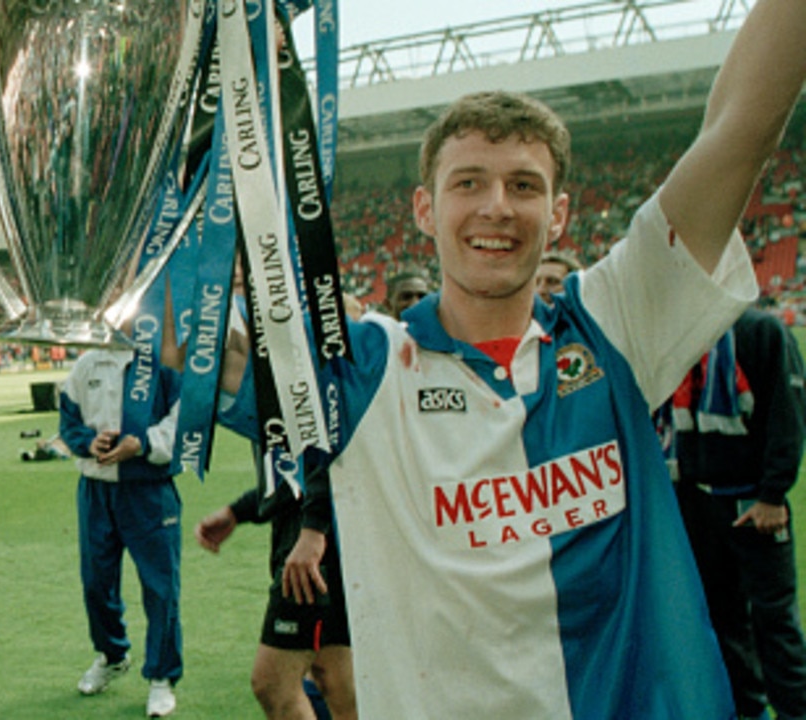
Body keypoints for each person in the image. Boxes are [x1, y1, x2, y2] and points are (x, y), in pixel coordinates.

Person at [210, 1, 806, 714]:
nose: (497, 206)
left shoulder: (615, 324)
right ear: (424, 210)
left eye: (524, 185)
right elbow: (200, 348)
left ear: (557, 215)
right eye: (468, 182)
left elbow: (738, 131)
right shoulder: (366, 369)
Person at [668, 308, 806, 720]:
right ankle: (749, 709)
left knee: (773, 620)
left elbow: (788, 413)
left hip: (753, 503)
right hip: (697, 502)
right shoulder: (677, 335)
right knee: (722, 615)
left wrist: (772, 495)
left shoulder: (759, 330)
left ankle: (795, 711)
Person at [59, 346, 183, 717]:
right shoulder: (86, 363)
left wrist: (143, 443)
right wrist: (87, 442)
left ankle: (162, 677)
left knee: (160, 586)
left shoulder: (162, 360)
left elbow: (184, 417)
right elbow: (68, 423)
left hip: (149, 489)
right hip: (96, 490)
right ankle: (113, 654)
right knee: (96, 582)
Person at [195, 469, 354, 720]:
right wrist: (239, 510)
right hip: (317, 538)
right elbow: (289, 476)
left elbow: (324, 456)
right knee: (336, 683)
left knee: (273, 683)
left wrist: (314, 528)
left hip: (311, 547)